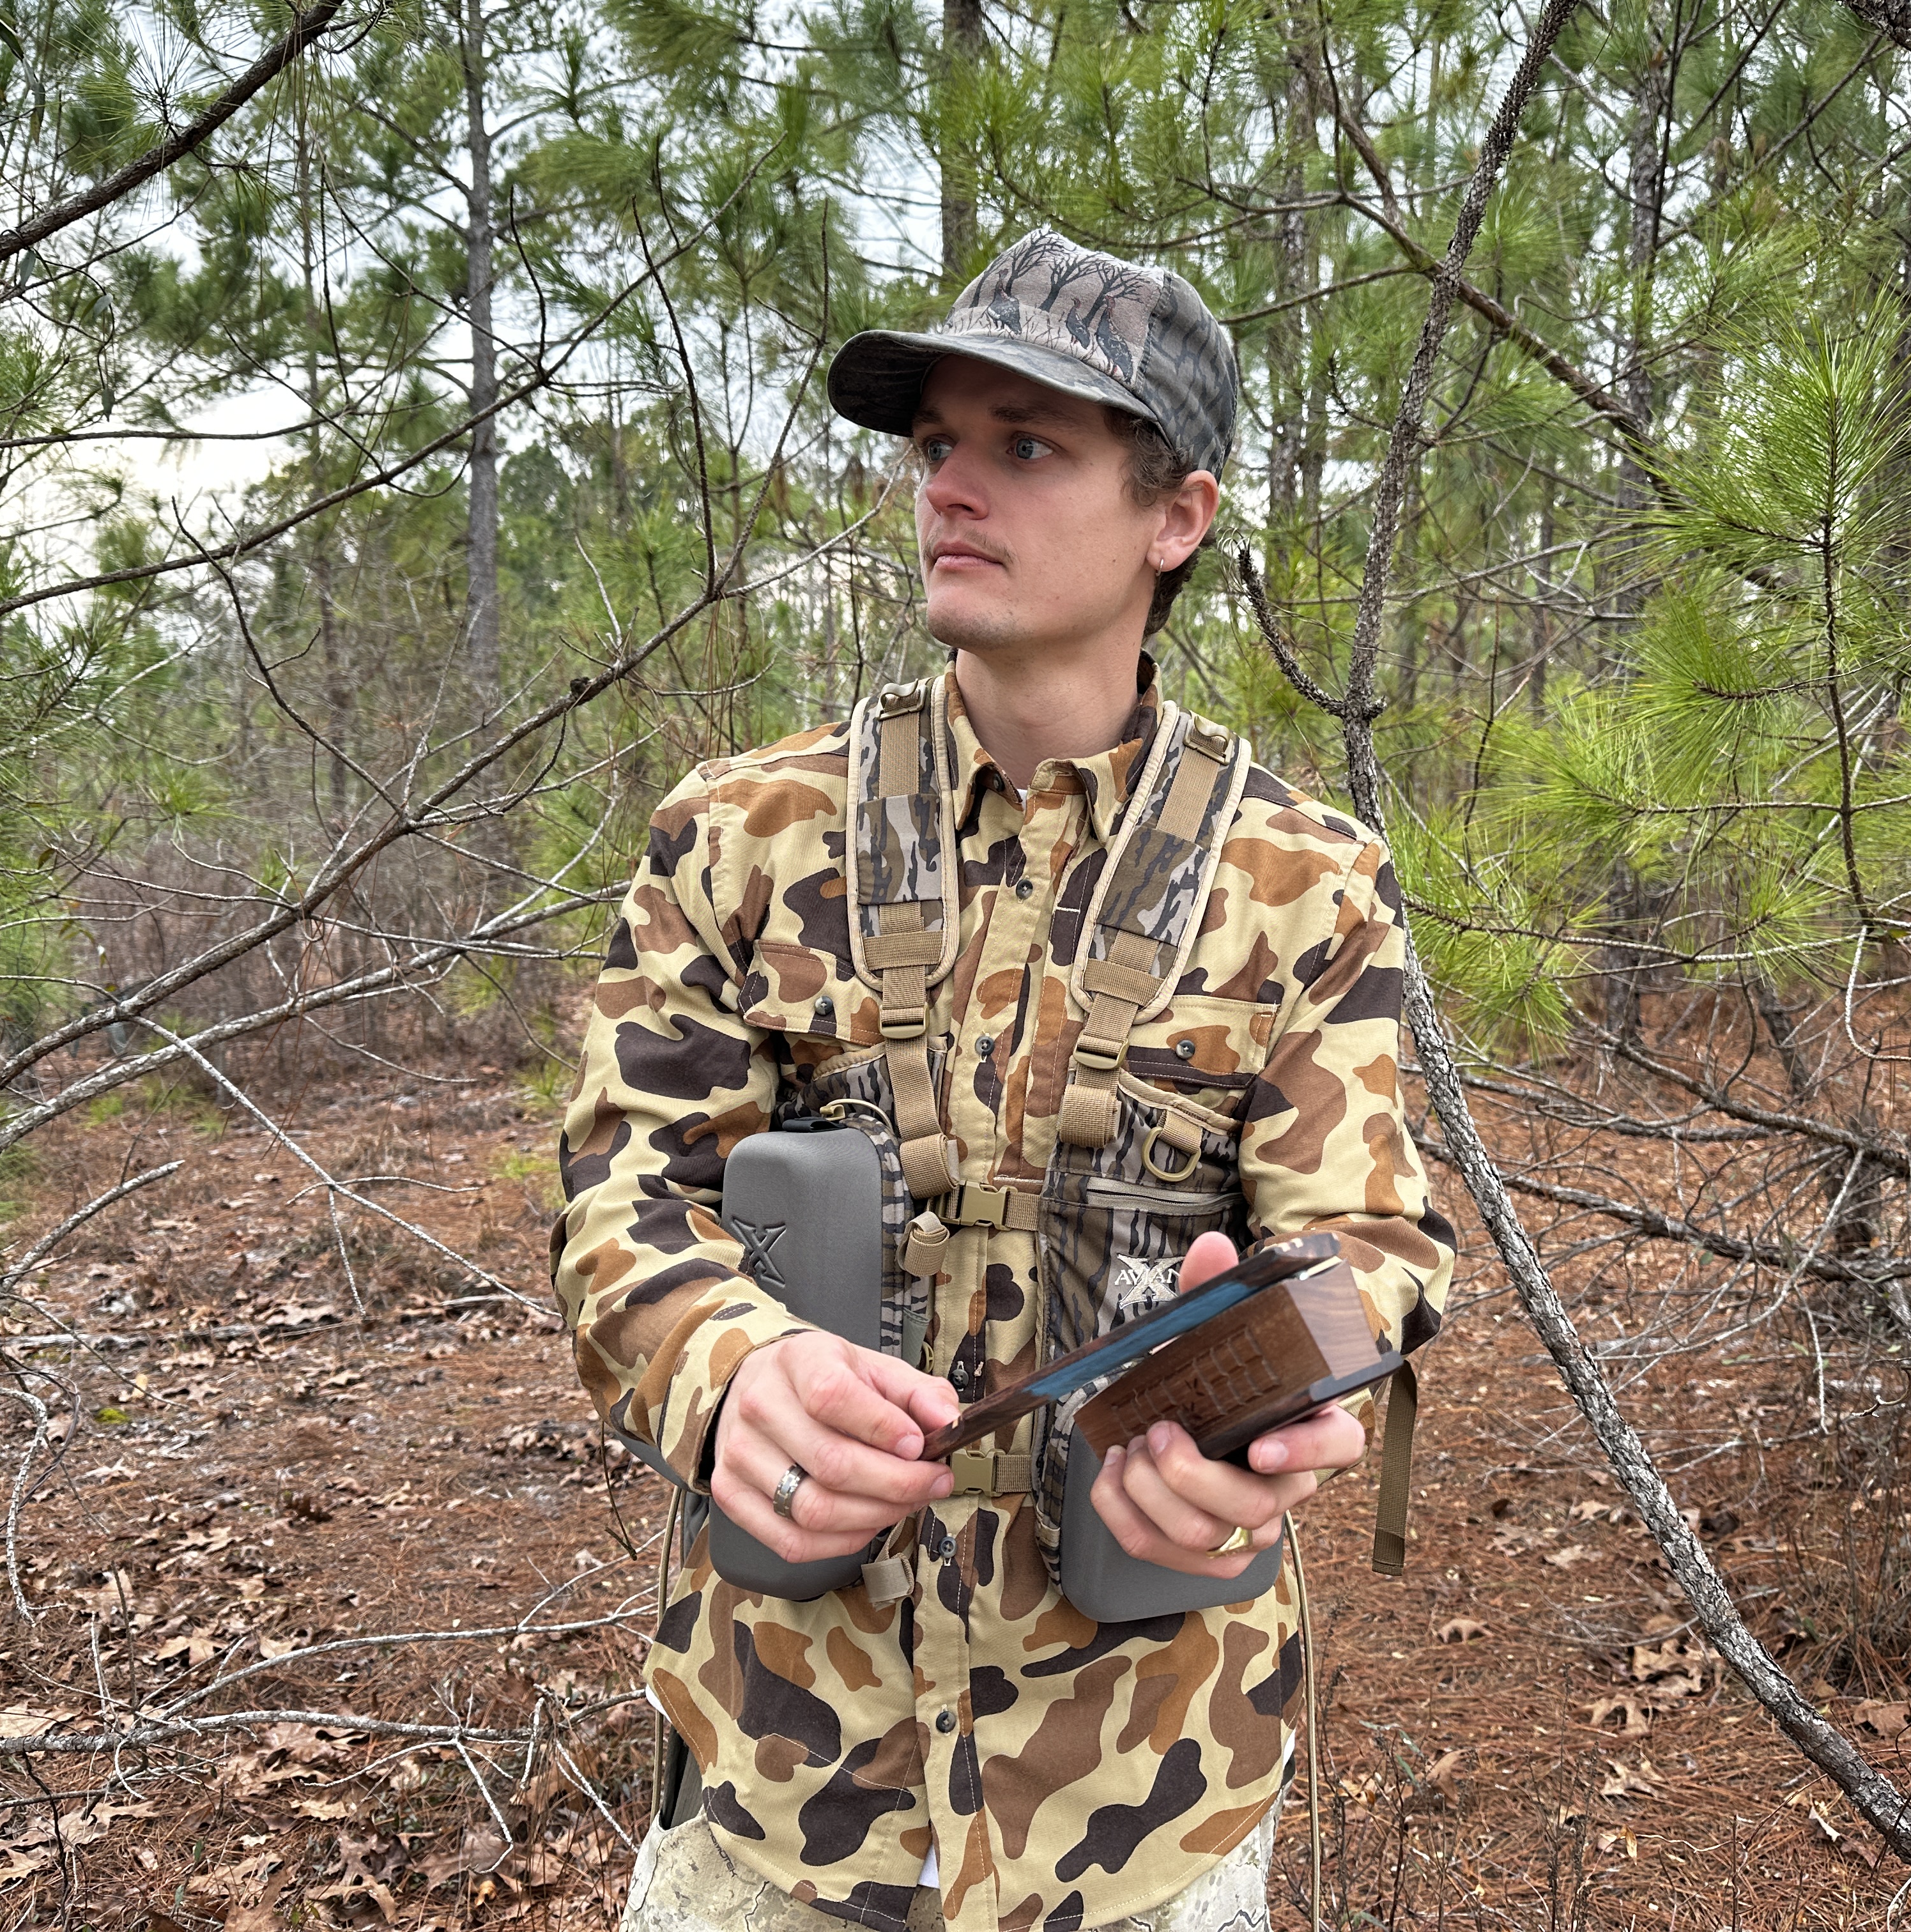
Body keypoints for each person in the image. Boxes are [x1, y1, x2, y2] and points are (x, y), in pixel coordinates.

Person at [555, 227, 1454, 1932]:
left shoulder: (1306, 876)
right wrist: (727, 1371)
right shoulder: (744, 832)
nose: (954, 484)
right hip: (781, 1785)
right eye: (935, 444)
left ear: (1175, 516)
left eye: (1027, 446)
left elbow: (1381, 1254)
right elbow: (622, 1200)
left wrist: (1250, 1402)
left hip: (1146, 1802)